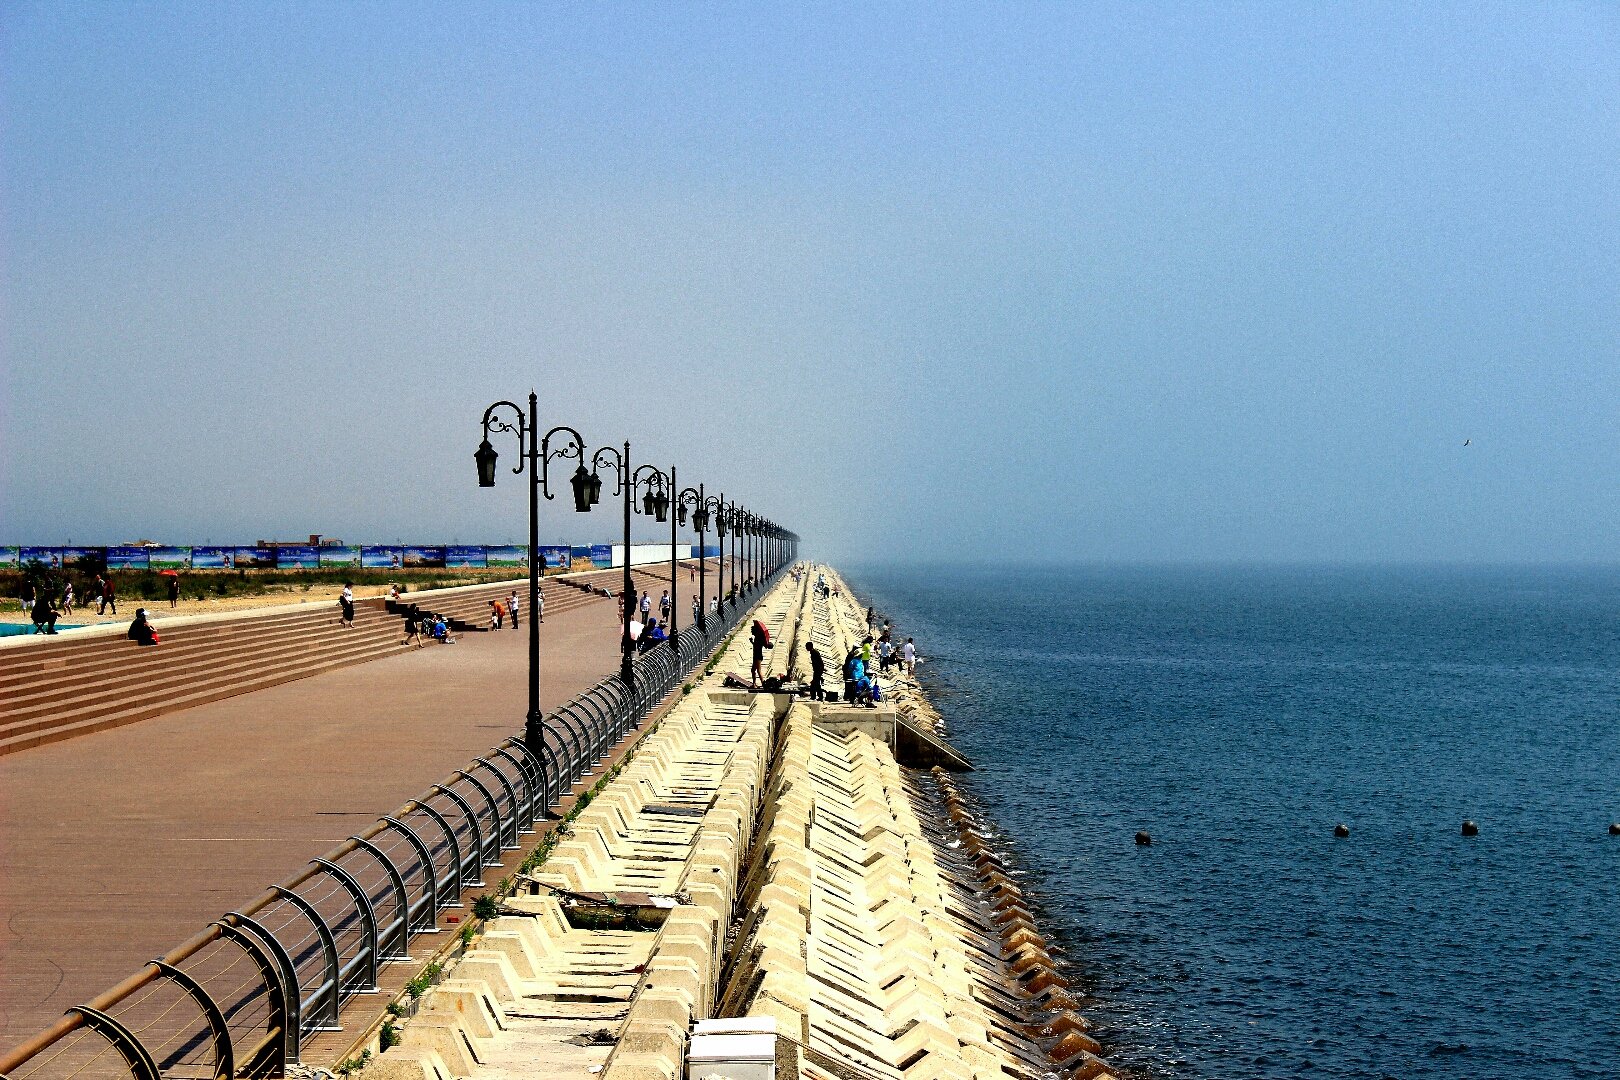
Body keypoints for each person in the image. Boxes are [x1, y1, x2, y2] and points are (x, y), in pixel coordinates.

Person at [749, 618, 773, 687]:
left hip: (758, 656)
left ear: (755, 631)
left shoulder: (759, 638)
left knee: (758, 670)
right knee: (753, 670)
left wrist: (753, 642)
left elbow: (757, 646)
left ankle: (763, 683)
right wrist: (752, 642)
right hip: (756, 656)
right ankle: (754, 683)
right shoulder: (757, 638)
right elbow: (756, 645)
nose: (751, 631)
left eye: (752, 630)